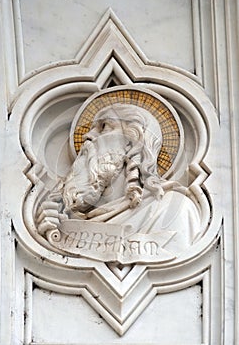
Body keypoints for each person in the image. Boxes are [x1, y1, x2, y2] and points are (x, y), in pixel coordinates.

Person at [37, 103, 202, 256]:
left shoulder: (170, 211)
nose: (88, 135)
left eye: (104, 126)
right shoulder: (64, 219)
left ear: (133, 141)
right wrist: (51, 232)